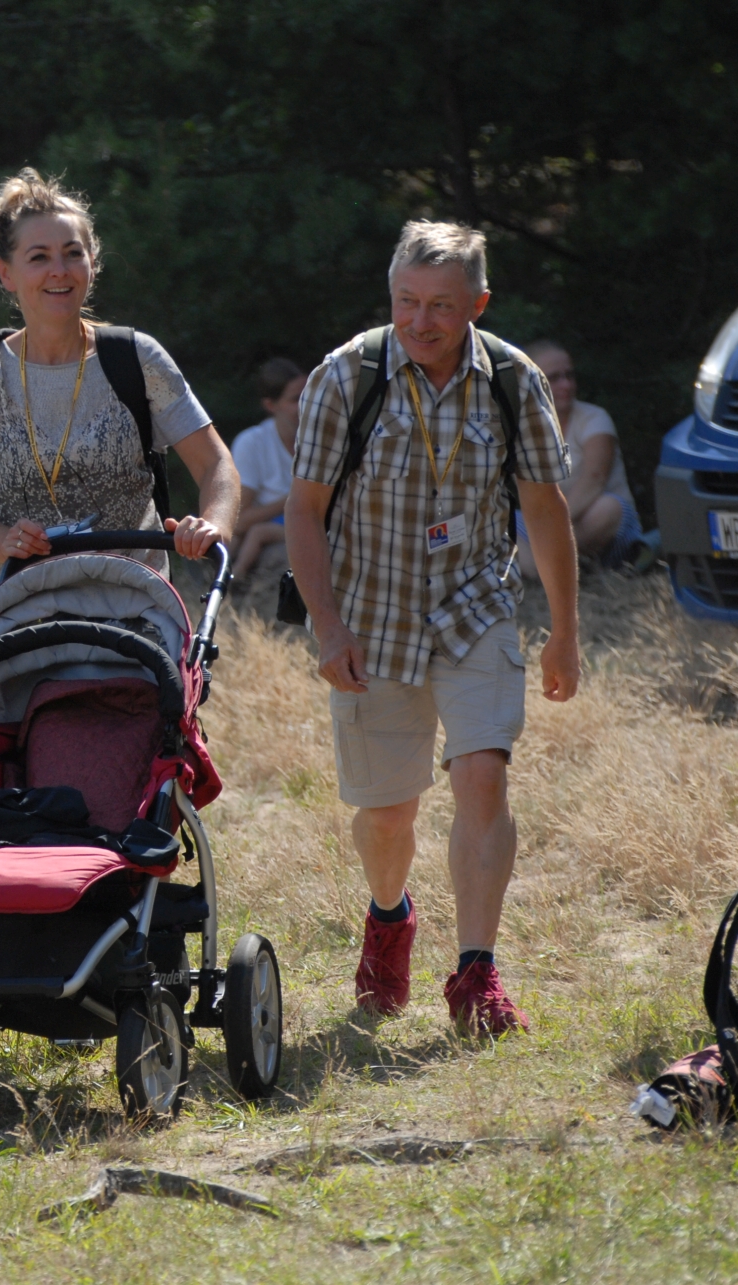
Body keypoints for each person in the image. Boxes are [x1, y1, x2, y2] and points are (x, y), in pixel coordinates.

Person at [284, 220, 580, 1035]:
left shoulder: (514, 381)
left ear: (477, 305)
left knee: (482, 773)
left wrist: (564, 630)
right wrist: (328, 628)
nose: (421, 321)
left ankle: (476, 973)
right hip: (370, 618)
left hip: (474, 606)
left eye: (442, 305)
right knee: (388, 815)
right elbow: (304, 512)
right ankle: (390, 916)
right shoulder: (345, 376)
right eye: (407, 301)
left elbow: (545, 509)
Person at [0, 169, 239, 587]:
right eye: (39, 257)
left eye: (73, 253)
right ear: (6, 273)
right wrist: (3, 542)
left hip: (135, 603)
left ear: (93, 263)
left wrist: (213, 524)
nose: (59, 270)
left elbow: (216, 463)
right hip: (21, 607)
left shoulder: (137, 359)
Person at [516, 339, 649, 577]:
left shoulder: (594, 419)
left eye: (569, 376)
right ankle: (544, 568)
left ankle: (541, 566)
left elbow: (594, 480)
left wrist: (551, 525)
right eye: (554, 378)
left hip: (595, 525)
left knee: (608, 507)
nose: (566, 384)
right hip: (546, 530)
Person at [229, 358, 307, 583]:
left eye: (309, 395)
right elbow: (237, 521)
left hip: (307, 531)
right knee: (232, 541)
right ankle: (228, 583)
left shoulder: (326, 440)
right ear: (271, 405)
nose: (306, 404)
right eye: (295, 399)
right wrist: (293, 499)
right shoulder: (253, 443)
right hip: (275, 531)